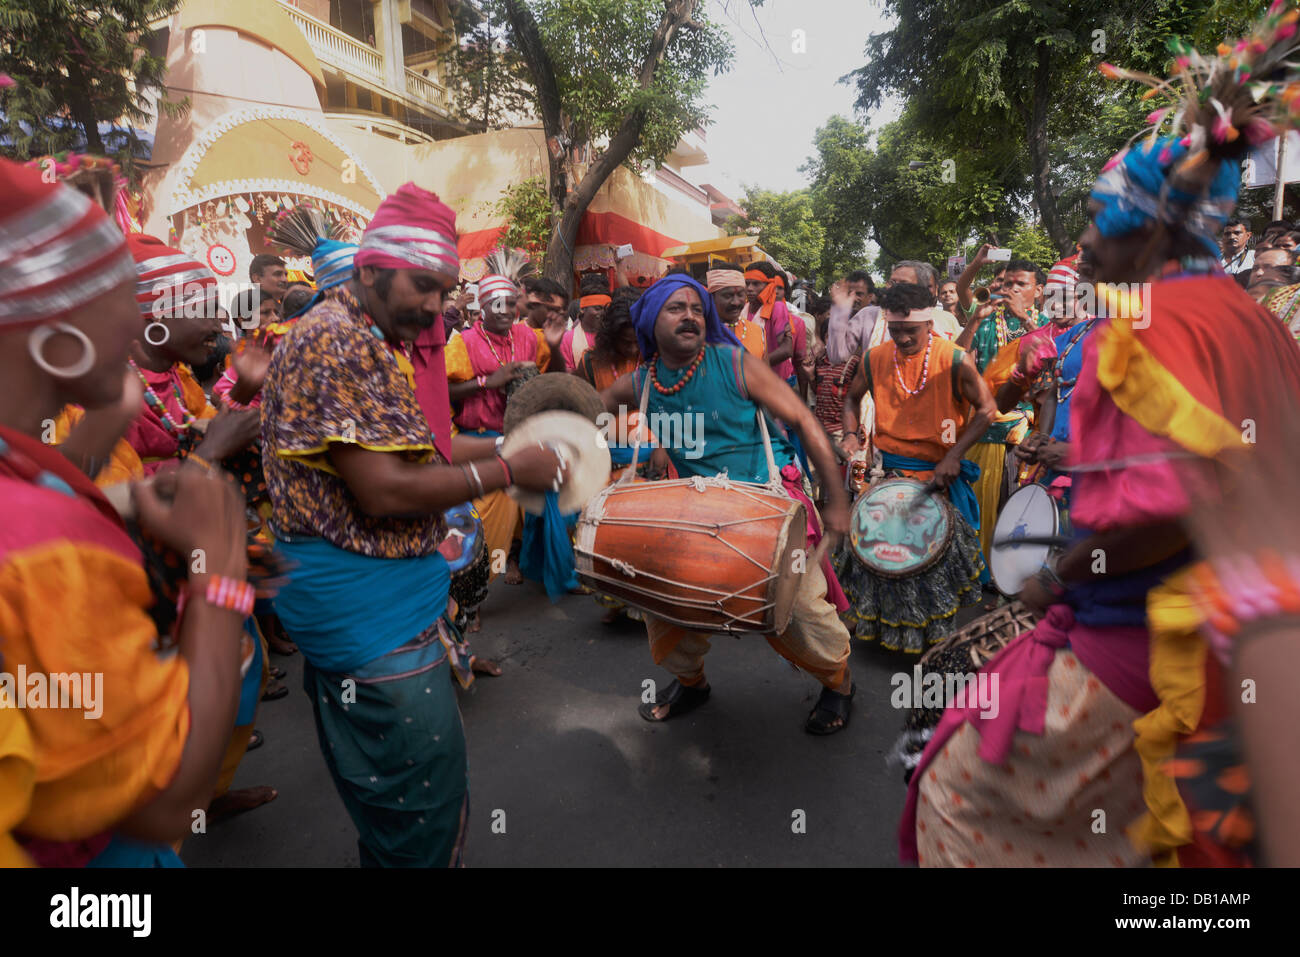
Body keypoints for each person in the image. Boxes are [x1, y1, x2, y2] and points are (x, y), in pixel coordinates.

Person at [902, 17, 1300, 866]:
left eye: (1096, 217)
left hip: (1147, 648)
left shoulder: (1147, 327)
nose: (1081, 246)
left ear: (1151, 226)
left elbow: (1162, 511)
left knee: (954, 797)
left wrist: (1052, 578)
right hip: (1252, 654)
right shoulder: (1259, 326)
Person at [260, 182, 566, 866]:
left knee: (396, 794)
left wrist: (520, 445)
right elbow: (384, 490)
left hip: (380, 608)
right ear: (370, 268)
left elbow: (425, 446)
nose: (435, 306)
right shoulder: (336, 340)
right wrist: (512, 471)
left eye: (444, 290)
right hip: (368, 616)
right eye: (422, 285)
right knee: (418, 800)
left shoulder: (370, 335)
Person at [0, 156, 251, 867]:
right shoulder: (43, 545)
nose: (136, 325)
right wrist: (220, 571)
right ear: (58, 340)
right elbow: (166, 800)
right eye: (121, 298)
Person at [600, 274, 858, 734]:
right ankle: (691, 682)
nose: (691, 316)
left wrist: (835, 500)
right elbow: (590, 409)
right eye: (676, 309)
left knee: (799, 613)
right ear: (649, 321)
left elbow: (803, 418)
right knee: (667, 611)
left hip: (767, 502)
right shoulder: (641, 381)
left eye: (697, 309)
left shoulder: (735, 363)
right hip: (697, 511)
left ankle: (839, 684)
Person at [836, 282, 995, 653]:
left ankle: (934, 648)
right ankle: (885, 635)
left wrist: (954, 456)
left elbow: (987, 409)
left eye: (912, 330)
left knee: (928, 568)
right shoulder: (874, 358)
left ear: (930, 323)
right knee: (879, 560)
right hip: (886, 476)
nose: (904, 338)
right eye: (896, 330)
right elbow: (851, 399)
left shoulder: (955, 359)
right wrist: (849, 434)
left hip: (938, 477)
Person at [444, 272, 560, 591]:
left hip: (522, 435)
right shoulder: (463, 342)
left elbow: (553, 374)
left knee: (548, 500)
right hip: (480, 441)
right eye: (498, 304)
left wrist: (554, 345)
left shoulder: (526, 337)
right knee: (484, 522)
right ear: (482, 307)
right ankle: (473, 586)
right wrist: (486, 382)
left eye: (511, 303)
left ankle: (546, 571)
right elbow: (439, 389)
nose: (507, 310)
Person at [955, 257, 1046, 564]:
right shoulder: (988, 319)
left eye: (1021, 284)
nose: (1012, 289)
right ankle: (977, 570)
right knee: (978, 506)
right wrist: (974, 321)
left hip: (1030, 433)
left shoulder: (1049, 323)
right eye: (1008, 283)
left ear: (1039, 290)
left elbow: (1053, 360)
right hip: (985, 429)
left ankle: (1010, 572)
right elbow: (955, 358)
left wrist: (1026, 321)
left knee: (1017, 508)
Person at [707, 262, 765, 357]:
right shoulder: (701, 333)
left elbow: (764, 370)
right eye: (728, 296)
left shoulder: (758, 331)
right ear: (712, 297)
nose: (736, 302)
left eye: (740, 295)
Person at [561, 274, 611, 371]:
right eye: (597, 309)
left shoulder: (612, 336)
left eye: (606, 309)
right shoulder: (568, 339)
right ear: (582, 309)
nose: (603, 313)